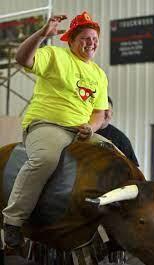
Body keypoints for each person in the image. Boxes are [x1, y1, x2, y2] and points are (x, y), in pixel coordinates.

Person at [2, 11, 108, 250]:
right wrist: (42, 34)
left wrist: (90, 128)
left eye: (94, 39)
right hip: (47, 125)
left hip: (81, 132)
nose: (91, 42)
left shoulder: (99, 75)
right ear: (70, 40)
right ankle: (13, 220)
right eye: (84, 38)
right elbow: (22, 58)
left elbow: (99, 114)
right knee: (46, 159)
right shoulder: (55, 54)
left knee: (113, 153)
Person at [97, 96, 139, 166]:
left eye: (107, 110)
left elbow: (133, 169)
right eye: (100, 110)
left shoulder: (121, 139)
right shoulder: (83, 132)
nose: (103, 113)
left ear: (112, 114)